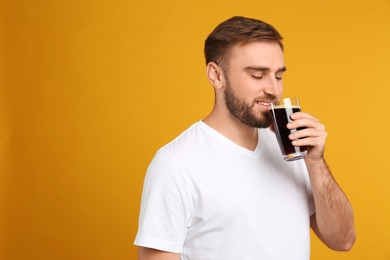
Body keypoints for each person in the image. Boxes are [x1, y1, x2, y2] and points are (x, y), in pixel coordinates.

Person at [134, 16, 356, 260]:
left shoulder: (289, 148)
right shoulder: (176, 163)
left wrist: (316, 163)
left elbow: (343, 240)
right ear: (216, 76)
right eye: (257, 75)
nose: (274, 90)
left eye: (278, 75)